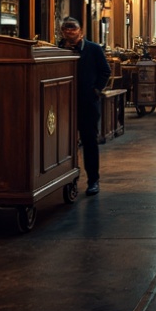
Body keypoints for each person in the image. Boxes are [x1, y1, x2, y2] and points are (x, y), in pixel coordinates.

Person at [60, 16, 111, 196]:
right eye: (66, 28)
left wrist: (96, 90)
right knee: (63, 143)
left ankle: (93, 181)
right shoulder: (58, 50)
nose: (69, 31)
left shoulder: (93, 49)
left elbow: (105, 71)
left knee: (89, 142)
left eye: (73, 28)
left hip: (87, 104)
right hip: (63, 105)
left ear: (80, 30)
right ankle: (67, 179)